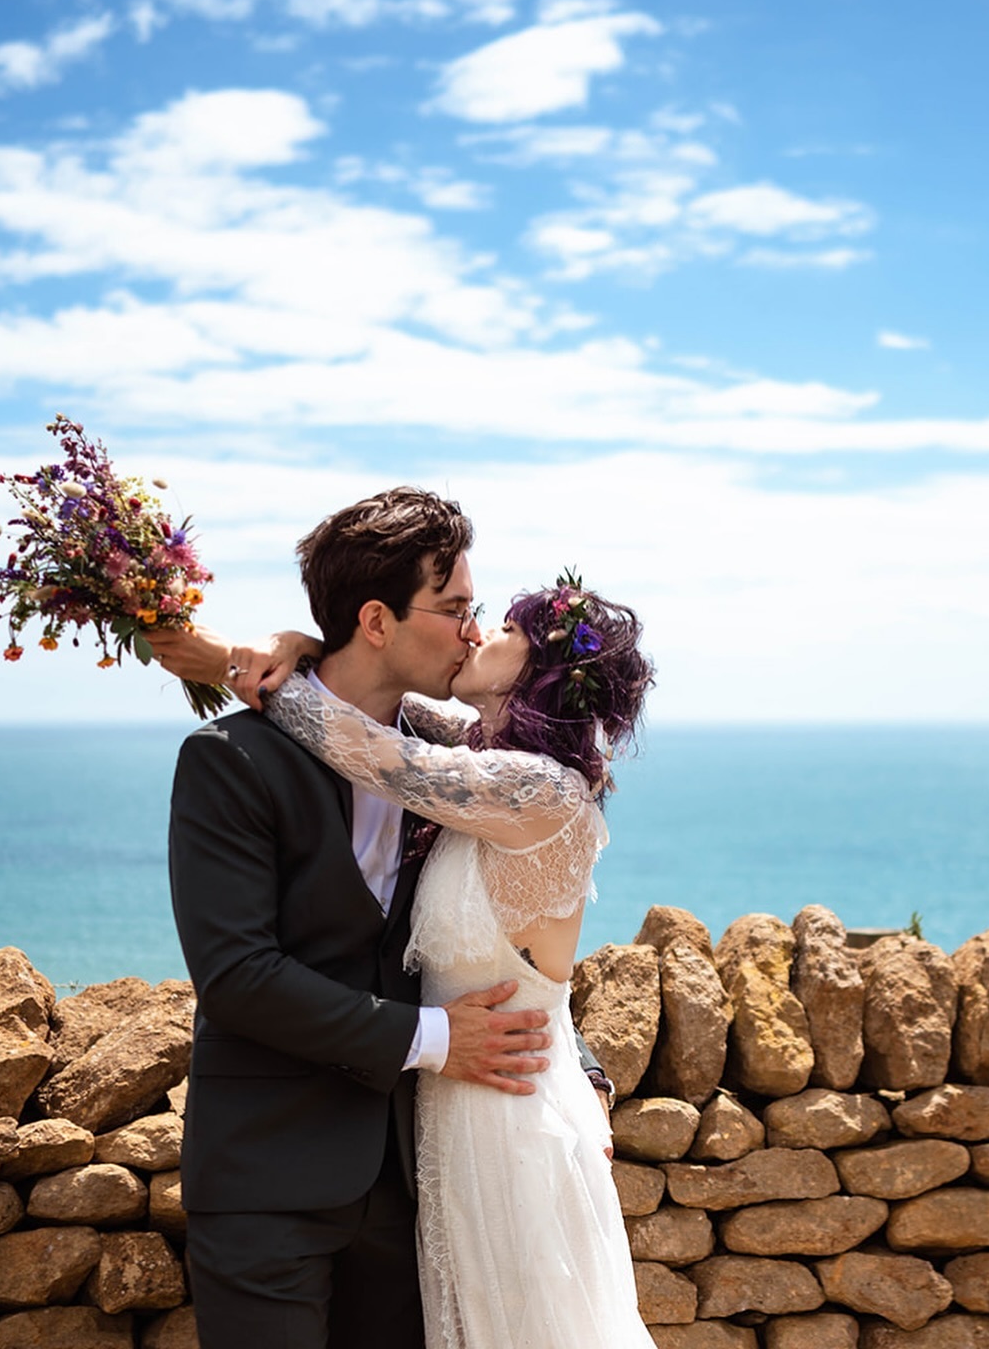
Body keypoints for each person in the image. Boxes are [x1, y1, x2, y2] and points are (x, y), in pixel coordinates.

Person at [158, 487, 570, 1349]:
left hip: (417, 1191)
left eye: (477, 612)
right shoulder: (228, 761)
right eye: (455, 607)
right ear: (377, 620)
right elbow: (237, 978)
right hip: (267, 1182)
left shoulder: (457, 771)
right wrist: (435, 1040)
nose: (470, 629)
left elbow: (504, 942)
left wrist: (578, 1082)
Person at [237, 572, 657, 1349]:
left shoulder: (534, 789)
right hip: (460, 1111)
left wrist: (235, 661)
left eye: (500, 630)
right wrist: (300, 646)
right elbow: (375, 703)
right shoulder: (484, 760)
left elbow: (355, 742)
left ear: (536, 670)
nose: (474, 633)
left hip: (508, 1118)